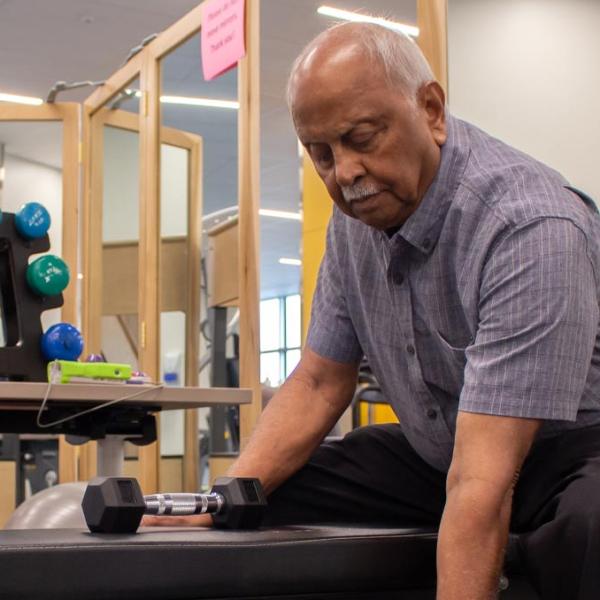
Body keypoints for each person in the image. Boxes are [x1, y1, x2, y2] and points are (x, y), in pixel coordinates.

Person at [148, 22, 600, 599]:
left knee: (590, 528)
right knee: (259, 497)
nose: (345, 174)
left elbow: (484, 478)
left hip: (569, 454)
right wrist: (222, 498)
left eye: (362, 138)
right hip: (440, 454)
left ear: (431, 110)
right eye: (321, 155)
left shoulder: (527, 226)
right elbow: (317, 382)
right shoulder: (355, 220)